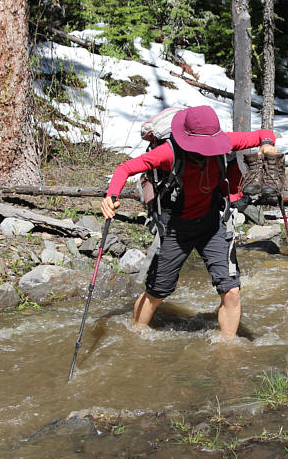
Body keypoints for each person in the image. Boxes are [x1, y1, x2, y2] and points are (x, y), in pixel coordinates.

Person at [100, 105, 277, 337]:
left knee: (231, 290)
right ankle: (136, 335)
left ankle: (228, 351)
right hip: (176, 227)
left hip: (212, 224)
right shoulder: (168, 153)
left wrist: (267, 145)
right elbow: (125, 168)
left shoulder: (224, 142)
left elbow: (265, 134)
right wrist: (111, 196)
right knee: (158, 293)